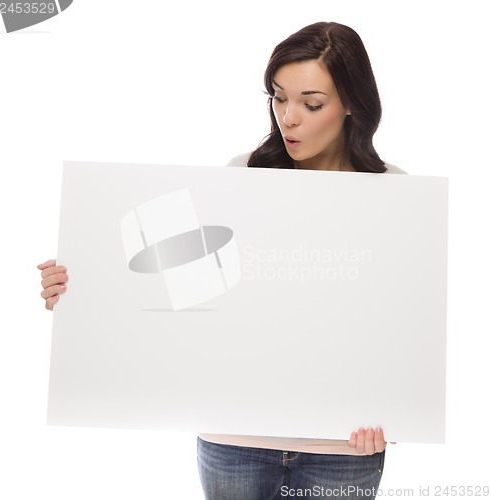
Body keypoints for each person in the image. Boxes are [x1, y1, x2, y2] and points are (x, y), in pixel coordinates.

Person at [39, 21, 402, 500]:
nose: (288, 117)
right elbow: (188, 296)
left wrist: (398, 408)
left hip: (344, 446)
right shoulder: (241, 175)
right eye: (277, 97)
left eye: (311, 103)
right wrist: (83, 290)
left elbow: (399, 326)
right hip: (235, 442)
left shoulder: (395, 194)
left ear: (351, 102)